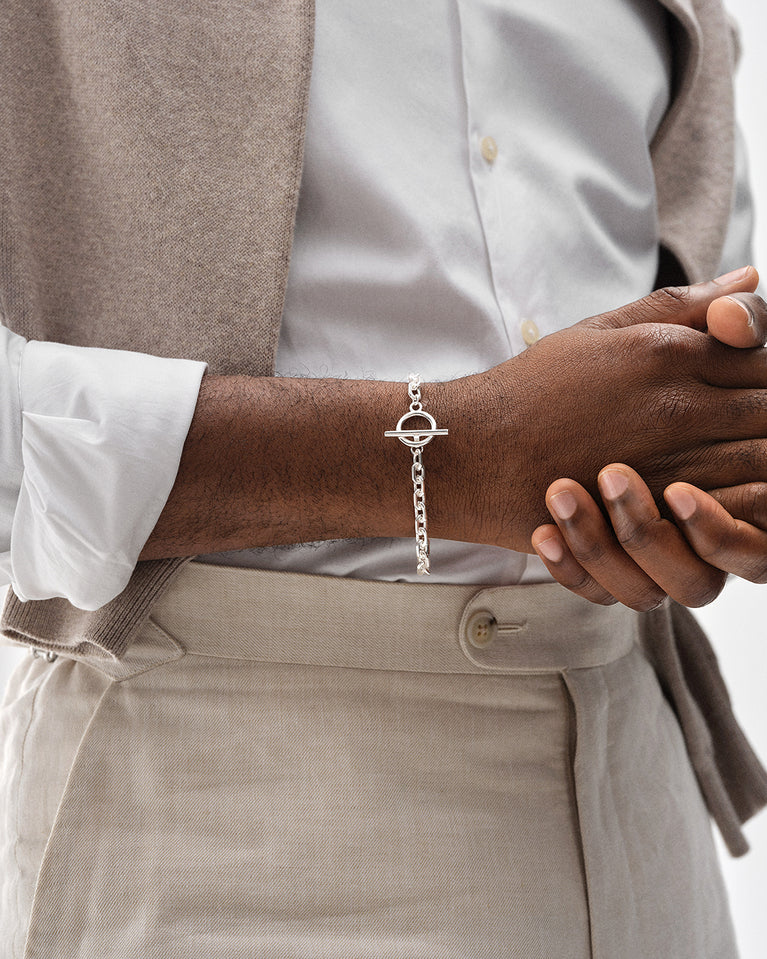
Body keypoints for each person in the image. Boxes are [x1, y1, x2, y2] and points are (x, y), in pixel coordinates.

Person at [1, 0, 766, 956]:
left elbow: (701, 296)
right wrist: (455, 449)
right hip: (222, 806)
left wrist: (707, 472)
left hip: (640, 788)